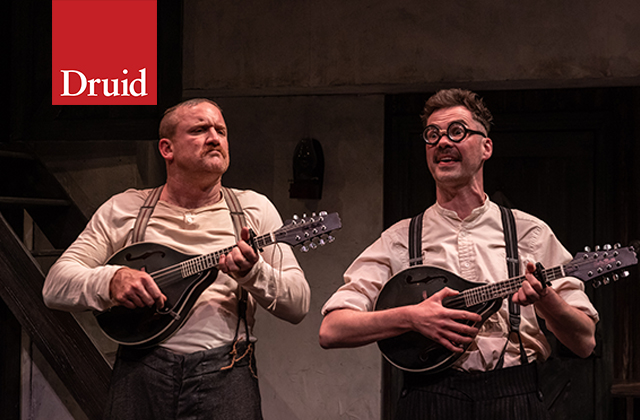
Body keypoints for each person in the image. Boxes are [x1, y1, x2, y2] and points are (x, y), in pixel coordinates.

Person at [319, 88, 598, 419]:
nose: (442, 142)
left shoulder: (531, 233)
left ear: (486, 147)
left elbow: (585, 343)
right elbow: (331, 330)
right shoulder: (400, 238)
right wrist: (411, 317)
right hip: (430, 397)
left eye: (457, 131)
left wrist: (546, 300)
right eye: (432, 135)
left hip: (516, 396)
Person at [43, 98, 310, 420]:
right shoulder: (125, 209)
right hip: (140, 371)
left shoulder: (254, 209)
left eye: (221, 131)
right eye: (199, 130)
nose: (214, 138)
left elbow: (298, 305)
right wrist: (109, 280)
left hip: (227, 373)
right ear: (167, 148)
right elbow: (55, 286)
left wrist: (254, 273)